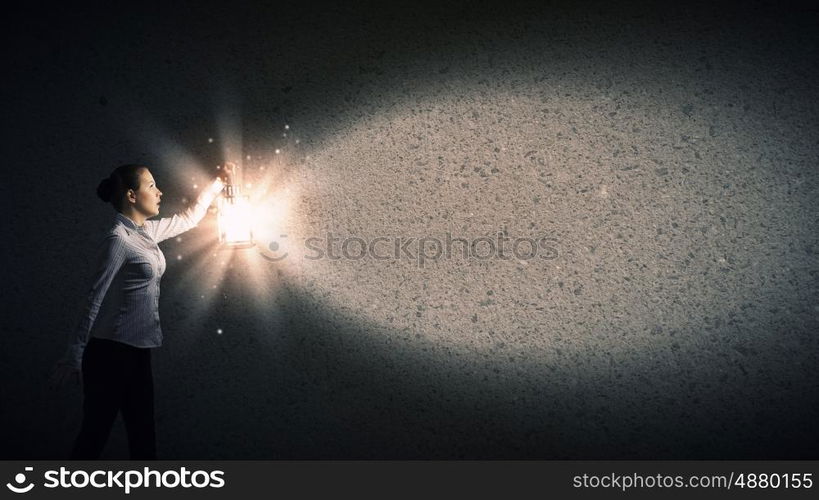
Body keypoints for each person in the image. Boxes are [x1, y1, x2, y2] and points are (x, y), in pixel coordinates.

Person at [49, 164, 226, 459]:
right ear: (132, 195)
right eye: (152, 186)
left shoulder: (147, 233)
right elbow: (93, 298)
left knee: (144, 439)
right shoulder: (118, 239)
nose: (160, 192)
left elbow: (188, 218)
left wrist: (218, 183)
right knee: (94, 436)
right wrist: (74, 354)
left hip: (138, 353)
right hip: (109, 355)